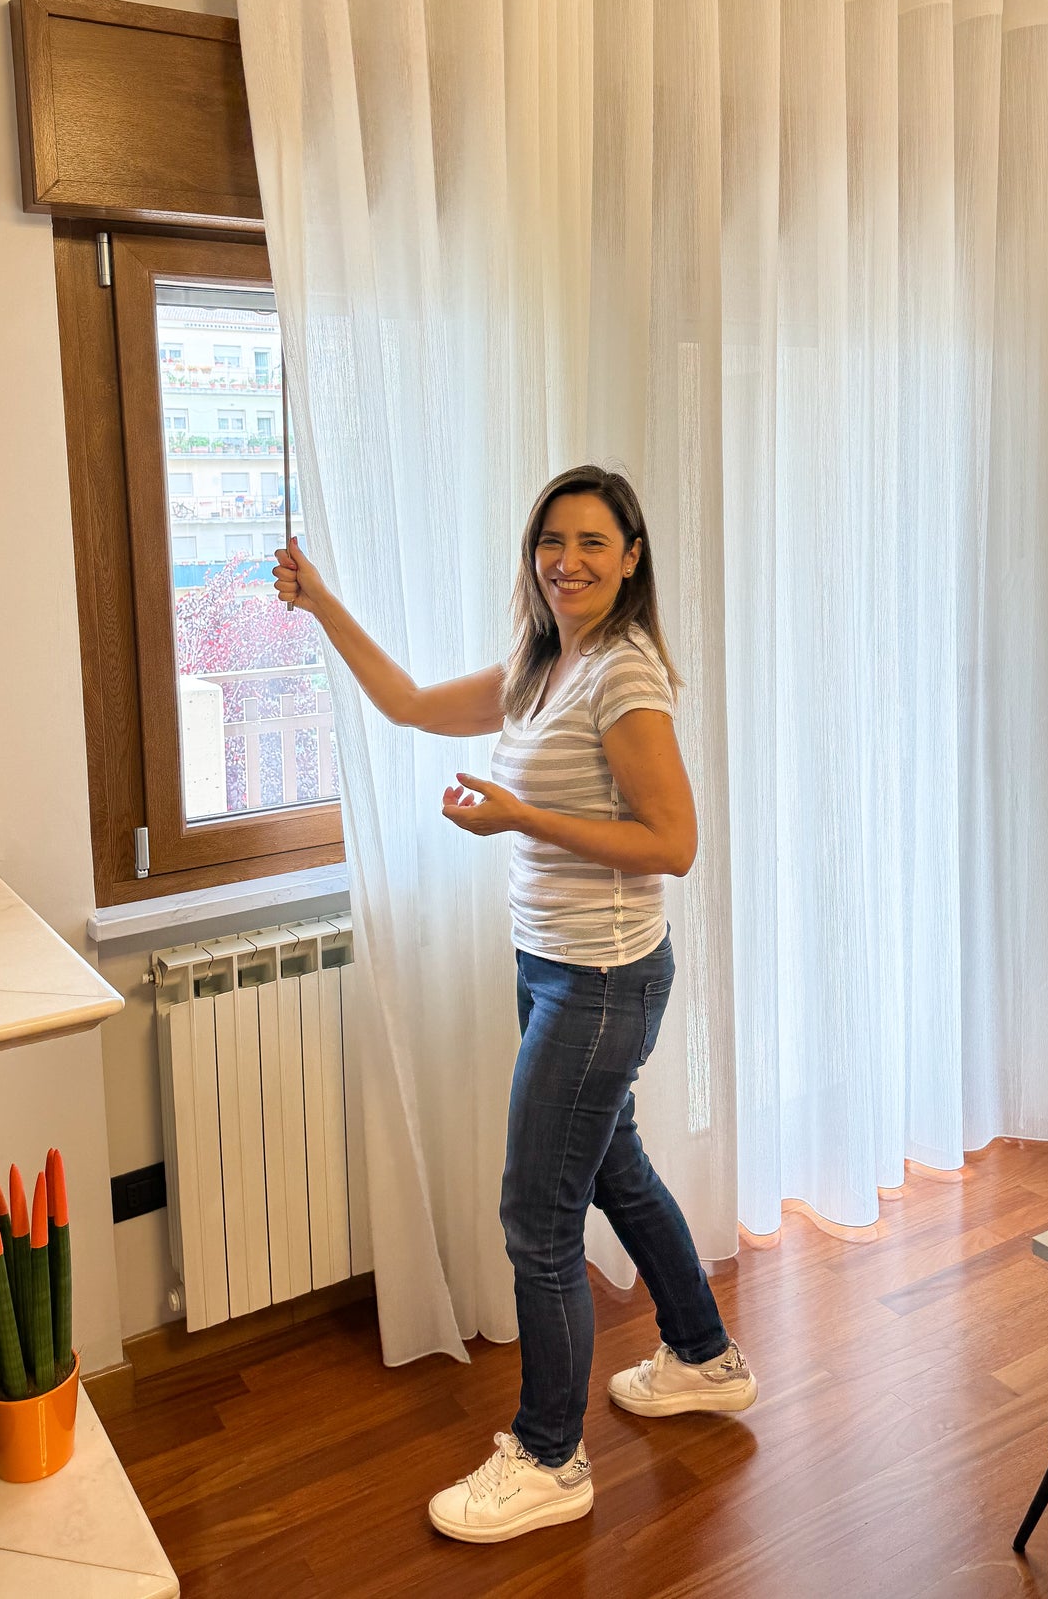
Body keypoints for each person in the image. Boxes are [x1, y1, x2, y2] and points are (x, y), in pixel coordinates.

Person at [274, 465, 756, 1545]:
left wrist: (520, 818)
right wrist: (318, 601)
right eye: (551, 540)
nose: (565, 561)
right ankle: (702, 1357)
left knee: (535, 1221)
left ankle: (548, 1458)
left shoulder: (621, 676)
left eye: (591, 542)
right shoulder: (547, 664)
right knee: (615, 1170)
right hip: (555, 966)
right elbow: (407, 703)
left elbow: (673, 843)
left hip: (600, 978)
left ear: (630, 558)